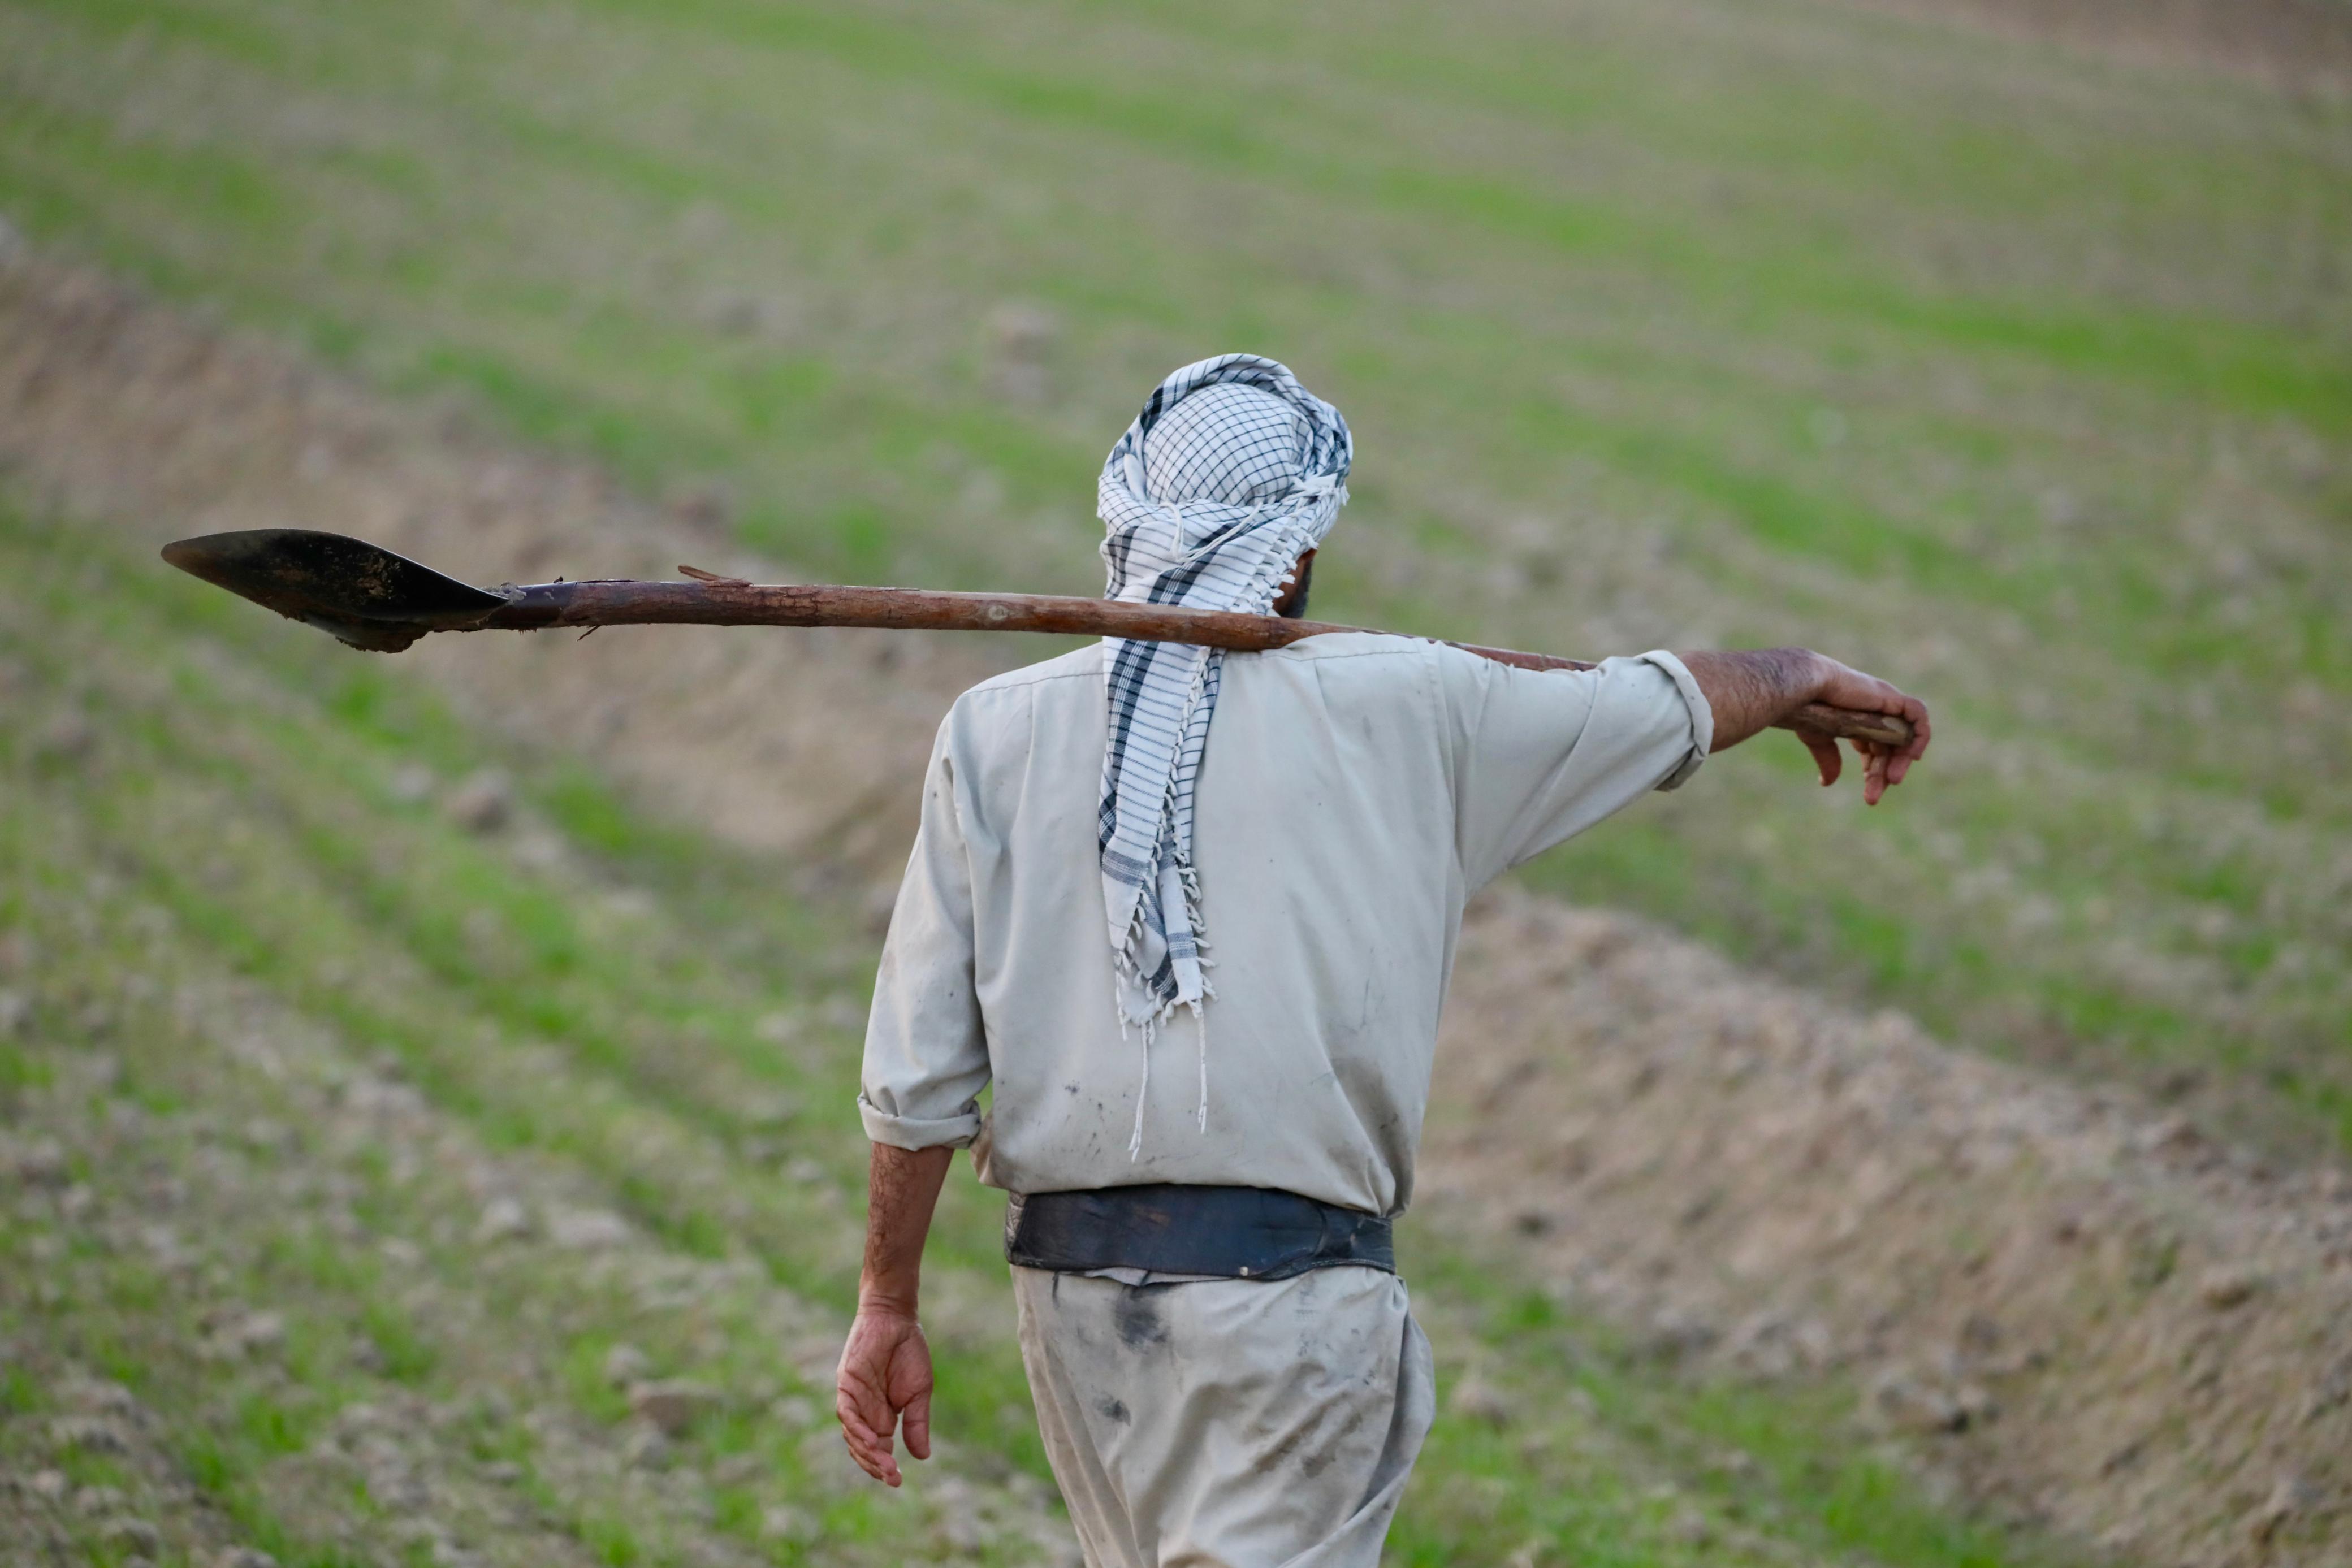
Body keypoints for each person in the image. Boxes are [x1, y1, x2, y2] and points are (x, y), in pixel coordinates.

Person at [836, 354, 1930, 1566]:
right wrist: (1791, 680)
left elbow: (919, 1074)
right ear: (1302, 547)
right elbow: (1651, 702)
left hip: (1073, 1313)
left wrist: (888, 1301)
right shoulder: (1418, 704)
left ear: (1124, 519)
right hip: (1289, 1312)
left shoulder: (996, 727)